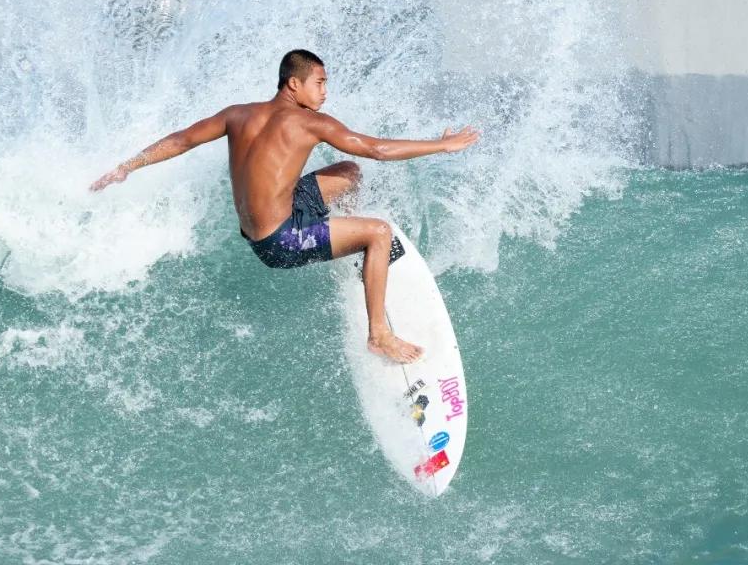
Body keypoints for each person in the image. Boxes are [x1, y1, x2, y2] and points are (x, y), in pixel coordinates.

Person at [90, 50, 479, 363]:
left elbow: (182, 139)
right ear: (295, 83)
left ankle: (347, 246)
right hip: (281, 241)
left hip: (268, 222)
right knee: (379, 232)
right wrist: (441, 145)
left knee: (348, 172)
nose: (325, 92)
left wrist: (128, 166)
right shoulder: (310, 122)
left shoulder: (237, 114)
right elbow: (377, 148)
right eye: (319, 82)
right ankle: (379, 334)